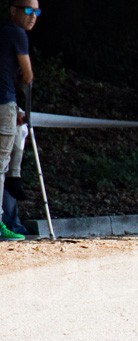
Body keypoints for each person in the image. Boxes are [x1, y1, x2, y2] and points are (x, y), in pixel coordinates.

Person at [0, 0, 38, 241]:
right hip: (4, 103)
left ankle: (15, 177)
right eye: (28, 10)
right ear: (13, 10)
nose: (33, 15)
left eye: (37, 11)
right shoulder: (17, 33)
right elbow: (28, 74)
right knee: (0, 166)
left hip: (8, 104)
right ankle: (1, 222)